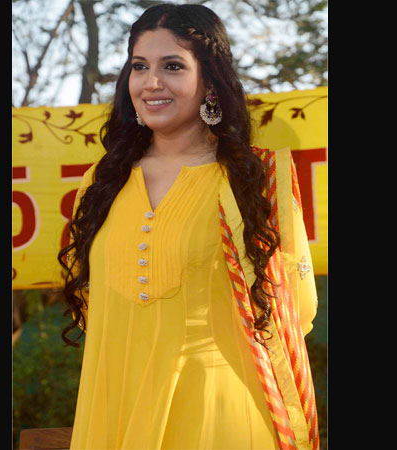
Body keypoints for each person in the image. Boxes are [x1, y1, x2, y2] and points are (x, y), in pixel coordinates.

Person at [58, 3, 319, 449]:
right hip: (114, 409)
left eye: (173, 66)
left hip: (219, 417)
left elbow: (295, 308)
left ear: (211, 81)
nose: (151, 82)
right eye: (140, 66)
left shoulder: (251, 180)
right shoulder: (100, 182)